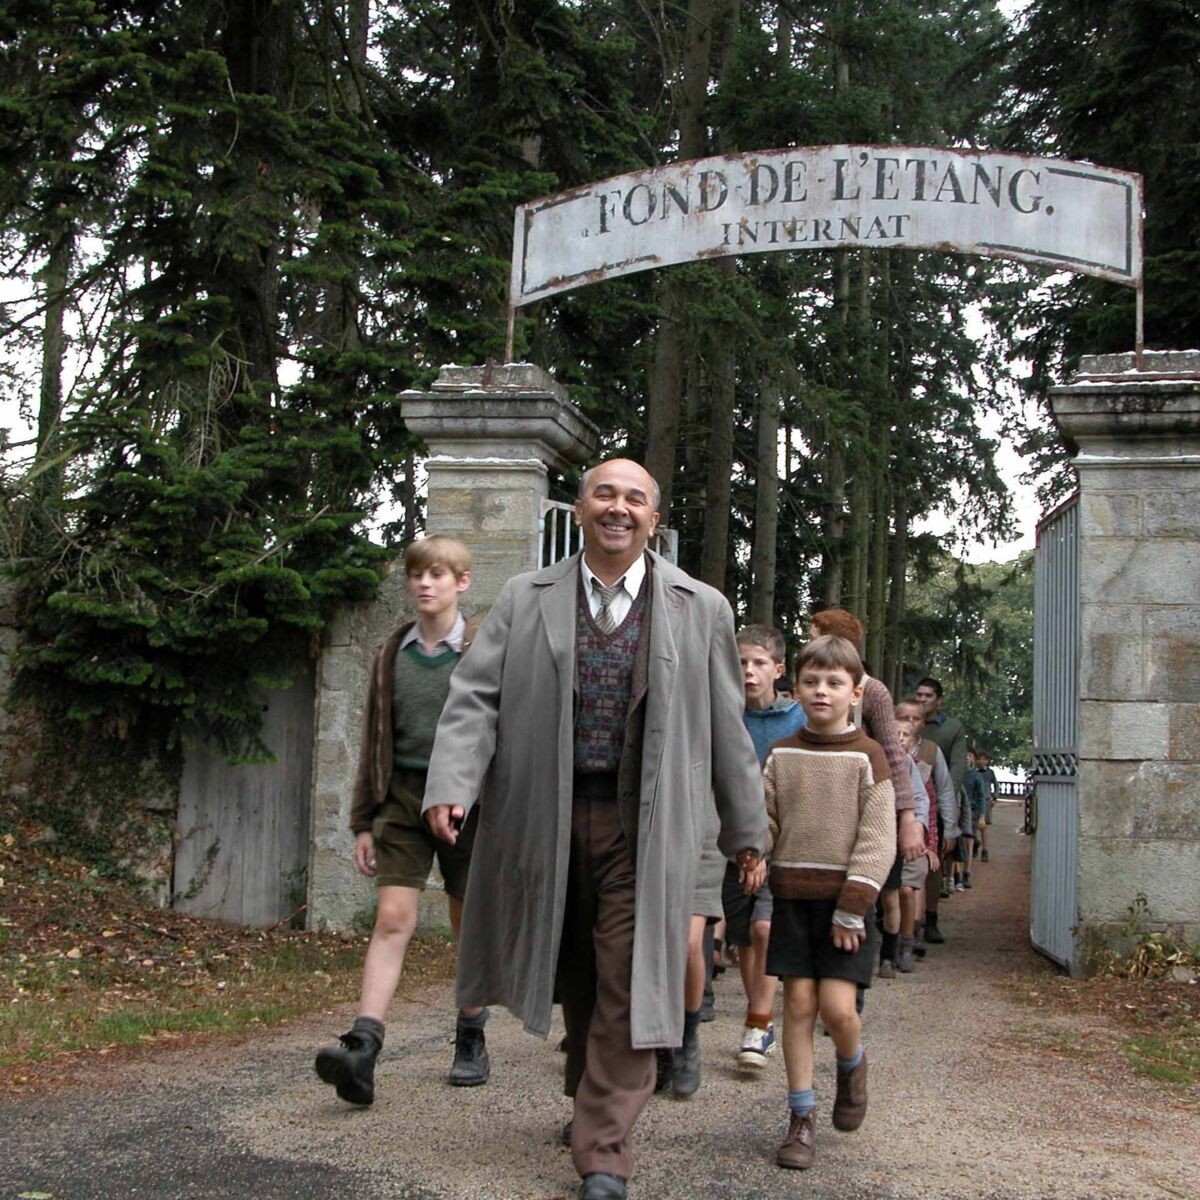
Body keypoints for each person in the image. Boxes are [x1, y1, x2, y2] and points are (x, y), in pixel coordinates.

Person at [421, 458, 768, 1200]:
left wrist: (746, 830)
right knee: (577, 964)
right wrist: (452, 784)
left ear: (654, 519)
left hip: (647, 823)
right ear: (579, 510)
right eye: (604, 494)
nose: (618, 507)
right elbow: (475, 697)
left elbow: (726, 728)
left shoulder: (700, 607)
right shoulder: (525, 597)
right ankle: (588, 1095)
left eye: (634, 498)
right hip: (543, 814)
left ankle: (604, 1151)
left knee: (629, 972)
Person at [314, 535, 486, 1106]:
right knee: (392, 918)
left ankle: (471, 1033)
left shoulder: (481, 651)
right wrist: (364, 820)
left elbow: (495, 732)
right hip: (402, 799)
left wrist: (468, 794)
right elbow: (374, 738)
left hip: (467, 806)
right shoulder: (393, 652)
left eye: (438, 574)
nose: (425, 584)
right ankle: (362, 1048)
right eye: (417, 574)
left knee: (466, 922)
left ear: (462, 583)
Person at [765, 635, 897, 1172]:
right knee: (797, 1005)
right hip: (793, 899)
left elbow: (878, 837)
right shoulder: (781, 752)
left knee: (839, 1010)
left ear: (855, 693)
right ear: (795, 688)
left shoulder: (869, 756)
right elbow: (767, 817)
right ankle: (801, 1117)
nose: (822, 691)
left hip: (847, 906)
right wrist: (753, 851)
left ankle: (851, 1063)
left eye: (834, 683)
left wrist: (853, 905)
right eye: (811, 681)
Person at [725, 624, 806, 1067]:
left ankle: (756, 1024)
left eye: (758, 663)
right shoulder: (724, 713)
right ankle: (761, 1018)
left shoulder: (797, 720)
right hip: (732, 842)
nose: (748, 671)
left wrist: (766, 849)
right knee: (745, 937)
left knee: (764, 929)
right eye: (741, 662)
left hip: (784, 841)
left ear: (778, 670)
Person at [894, 697, 957, 946]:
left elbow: (944, 789)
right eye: (904, 718)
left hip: (925, 823)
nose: (910, 722)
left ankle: (924, 923)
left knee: (925, 874)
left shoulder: (932, 750)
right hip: (891, 827)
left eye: (916, 718)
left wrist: (949, 828)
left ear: (923, 722)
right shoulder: (884, 751)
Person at [914, 678, 967, 941]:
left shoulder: (952, 729)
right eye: (919, 695)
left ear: (939, 700)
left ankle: (931, 917)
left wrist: (949, 803)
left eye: (928, 696)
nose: (923, 699)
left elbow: (957, 768)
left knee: (934, 862)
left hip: (938, 798)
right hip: (907, 801)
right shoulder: (906, 723)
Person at [975, 749, 998, 862]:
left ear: (987, 761)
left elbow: (996, 785)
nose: (981, 761)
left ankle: (985, 850)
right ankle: (975, 843)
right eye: (979, 759)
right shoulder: (972, 772)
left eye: (984, 759)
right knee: (972, 825)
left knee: (984, 827)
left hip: (986, 801)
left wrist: (994, 797)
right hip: (974, 801)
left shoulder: (990, 772)